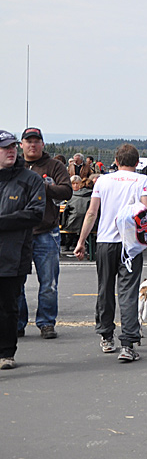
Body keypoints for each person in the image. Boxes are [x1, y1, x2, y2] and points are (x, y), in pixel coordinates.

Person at [73, 143, 147, 362]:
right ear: (137, 163)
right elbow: (146, 210)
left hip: (105, 240)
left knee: (105, 288)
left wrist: (81, 241)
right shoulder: (143, 181)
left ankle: (106, 335)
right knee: (128, 292)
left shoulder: (103, 180)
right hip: (130, 243)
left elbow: (92, 213)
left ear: (116, 161)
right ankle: (127, 343)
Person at [17, 127, 71, 339]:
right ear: (21, 144)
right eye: (28, 141)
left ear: (42, 144)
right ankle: (17, 323)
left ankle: (46, 322)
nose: (32, 145)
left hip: (46, 232)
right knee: (15, 282)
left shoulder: (54, 166)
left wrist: (44, 187)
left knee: (48, 283)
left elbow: (67, 190)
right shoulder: (14, 166)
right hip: (19, 233)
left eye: (36, 141)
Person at [0, 131, 45, 369]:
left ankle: (6, 353)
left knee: (8, 306)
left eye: (13, 147)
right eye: (5, 147)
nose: (11, 151)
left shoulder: (30, 179)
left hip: (13, 256)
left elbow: (35, 213)